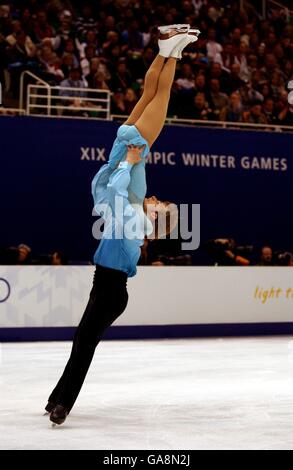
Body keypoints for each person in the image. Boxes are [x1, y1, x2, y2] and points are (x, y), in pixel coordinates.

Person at [46, 24, 200, 426]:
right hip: (122, 156)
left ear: (153, 217)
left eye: (158, 203)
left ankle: (171, 50)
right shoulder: (138, 214)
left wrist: (128, 164)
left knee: (157, 94)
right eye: (158, 200)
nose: (155, 199)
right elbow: (105, 193)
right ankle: (170, 50)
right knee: (153, 95)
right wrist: (124, 166)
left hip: (111, 285)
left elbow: (110, 197)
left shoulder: (133, 219)